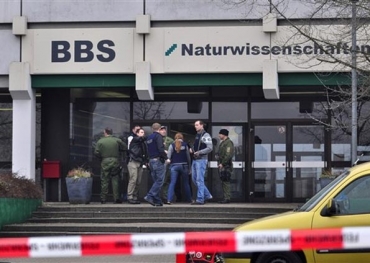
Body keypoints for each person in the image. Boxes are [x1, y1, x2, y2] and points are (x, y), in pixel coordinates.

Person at [94, 127, 127, 204]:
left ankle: (103, 198)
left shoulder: (100, 141)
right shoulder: (116, 140)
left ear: (105, 132)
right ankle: (116, 198)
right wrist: (119, 150)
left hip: (105, 161)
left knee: (104, 180)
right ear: (111, 132)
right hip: (115, 161)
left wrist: (101, 157)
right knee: (115, 179)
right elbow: (125, 147)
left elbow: (96, 152)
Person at [144, 123, 169, 206]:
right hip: (158, 161)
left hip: (151, 161)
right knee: (159, 181)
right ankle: (150, 196)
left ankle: (157, 200)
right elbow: (160, 149)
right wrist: (166, 158)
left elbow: (147, 150)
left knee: (156, 181)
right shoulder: (158, 136)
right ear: (159, 128)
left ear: (152, 129)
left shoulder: (149, 137)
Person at [190, 120, 213, 205]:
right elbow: (196, 146)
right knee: (195, 179)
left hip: (201, 159)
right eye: (195, 125)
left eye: (196, 125)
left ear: (201, 125)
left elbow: (210, 148)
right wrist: (192, 150)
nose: (195, 126)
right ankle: (207, 195)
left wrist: (199, 152)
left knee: (199, 180)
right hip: (196, 159)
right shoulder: (198, 135)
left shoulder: (205, 135)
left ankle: (200, 199)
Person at [166, 132, 192, 204]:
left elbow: (168, 157)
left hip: (174, 166)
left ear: (175, 138)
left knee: (172, 183)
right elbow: (188, 157)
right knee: (186, 183)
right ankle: (189, 199)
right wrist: (190, 168)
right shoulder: (185, 145)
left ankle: (169, 199)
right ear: (182, 138)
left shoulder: (172, 145)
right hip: (184, 166)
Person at [127, 128, 148, 204]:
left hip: (140, 162)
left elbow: (145, 152)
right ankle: (130, 196)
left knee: (138, 181)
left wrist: (145, 161)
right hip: (133, 161)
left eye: (144, 132)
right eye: (141, 132)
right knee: (133, 179)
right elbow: (142, 138)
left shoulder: (143, 142)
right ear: (137, 133)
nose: (143, 133)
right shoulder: (135, 139)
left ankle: (135, 196)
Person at [216, 129, 234, 204]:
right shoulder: (223, 143)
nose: (219, 135)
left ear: (224, 135)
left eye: (220, 134)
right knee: (223, 181)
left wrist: (222, 163)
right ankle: (225, 197)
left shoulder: (228, 143)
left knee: (226, 181)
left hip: (226, 166)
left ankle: (227, 198)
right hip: (223, 165)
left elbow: (228, 155)